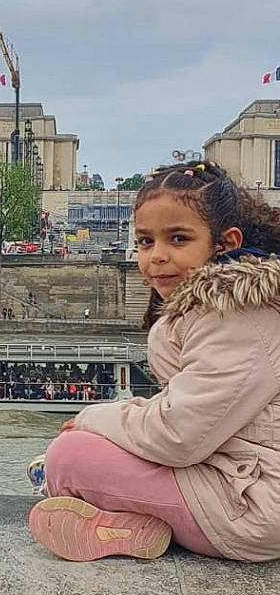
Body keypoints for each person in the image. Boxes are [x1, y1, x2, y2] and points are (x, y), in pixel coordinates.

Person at [27, 160, 280, 564]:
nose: (156, 257)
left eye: (177, 239)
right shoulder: (227, 307)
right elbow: (192, 412)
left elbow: (180, 435)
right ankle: (134, 525)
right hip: (240, 481)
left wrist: (94, 419)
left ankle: (113, 513)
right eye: (145, 241)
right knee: (86, 447)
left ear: (225, 243)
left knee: (68, 458)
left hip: (255, 508)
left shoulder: (238, 317)